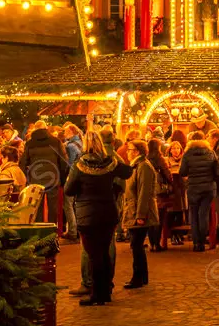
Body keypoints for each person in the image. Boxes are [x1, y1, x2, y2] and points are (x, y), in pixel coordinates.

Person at [64, 130, 133, 307]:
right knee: (104, 253)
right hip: (108, 213)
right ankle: (105, 290)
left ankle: (97, 294)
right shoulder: (110, 162)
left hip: (87, 216)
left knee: (94, 255)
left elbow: (69, 189)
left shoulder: (79, 165)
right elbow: (126, 172)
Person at [178, 131, 219, 252]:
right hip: (208, 188)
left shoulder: (188, 154)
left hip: (193, 188)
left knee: (193, 215)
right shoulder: (211, 153)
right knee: (204, 214)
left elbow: (182, 172)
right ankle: (203, 241)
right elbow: (217, 172)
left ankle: (197, 243)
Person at [122, 140, 159, 289]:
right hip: (133, 210)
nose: (127, 152)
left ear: (137, 151)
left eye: (130, 149)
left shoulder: (143, 167)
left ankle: (138, 277)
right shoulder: (136, 166)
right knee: (136, 245)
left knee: (136, 245)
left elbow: (144, 193)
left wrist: (141, 215)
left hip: (139, 212)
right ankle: (142, 276)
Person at [20, 120, 70, 225]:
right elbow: (64, 162)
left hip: (35, 180)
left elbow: (23, 163)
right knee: (53, 207)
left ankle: (39, 232)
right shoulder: (56, 142)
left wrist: (29, 178)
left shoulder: (29, 143)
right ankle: (52, 231)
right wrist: (61, 178)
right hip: (53, 179)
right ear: (46, 128)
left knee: (37, 206)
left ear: (35, 129)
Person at [146, 138, 173, 251]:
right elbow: (167, 174)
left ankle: (152, 243)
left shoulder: (146, 159)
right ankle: (157, 244)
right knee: (159, 218)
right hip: (159, 192)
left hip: (149, 191)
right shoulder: (160, 159)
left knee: (150, 218)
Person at [62, 123, 85, 240]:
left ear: (71, 132)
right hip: (81, 177)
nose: (64, 134)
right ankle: (77, 229)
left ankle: (72, 230)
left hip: (72, 177)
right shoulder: (81, 143)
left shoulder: (70, 146)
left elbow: (70, 164)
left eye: (65, 132)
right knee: (75, 204)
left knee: (68, 204)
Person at [164, 141, 187, 245]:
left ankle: (179, 235)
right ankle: (173, 235)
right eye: (173, 148)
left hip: (183, 188)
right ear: (170, 150)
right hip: (172, 190)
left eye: (178, 148)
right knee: (172, 212)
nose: (176, 150)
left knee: (181, 212)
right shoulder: (166, 160)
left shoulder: (185, 160)